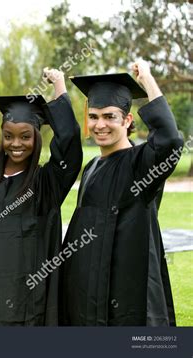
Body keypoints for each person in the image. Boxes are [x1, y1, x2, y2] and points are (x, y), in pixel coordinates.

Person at [60, 60, 183, 326]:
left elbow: (170, 140)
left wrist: (148, 79)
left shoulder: (141, 162)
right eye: (93, 116)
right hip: (88, 291)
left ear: (127, 120)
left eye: (109, 116)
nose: (100, 124)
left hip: (126, 289)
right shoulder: (92, 166)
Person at [0, 69, 82, 326]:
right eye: (9, 135)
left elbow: (68, 142)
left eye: (26, 136)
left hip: (32, 302)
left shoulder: (47, 182)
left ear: (37, 138)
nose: (16, 143)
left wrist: (59, 86)